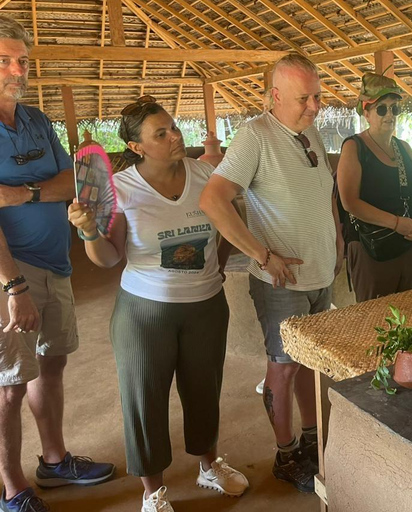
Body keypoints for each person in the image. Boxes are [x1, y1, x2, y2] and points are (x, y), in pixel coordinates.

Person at [68, 98, 248, 512]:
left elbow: (226, 229)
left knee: (205, 389)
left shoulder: (207, 175)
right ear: (137, 147)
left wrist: (214, 273)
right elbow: (109, 258)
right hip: (145, 311)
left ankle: (208, 466)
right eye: (160, 133)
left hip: (206, 305)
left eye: (173, 128)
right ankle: (153, 492)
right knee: (144, 398)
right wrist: (91, 232)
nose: (174, 137)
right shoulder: (123, 189)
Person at [199, 53, 343, 494]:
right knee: (282, 368)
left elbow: (325, 194)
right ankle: (286, 454)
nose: (315, 106)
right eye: (305, 98)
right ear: (275, 97)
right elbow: (213, 200)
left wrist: (336, 238)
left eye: (317, 96)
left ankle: (311, 440)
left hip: (320, 274)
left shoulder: (311, 133)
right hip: (282, 283)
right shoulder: (255, 137)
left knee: (308, 365)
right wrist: (262, 255)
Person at [0, 16, 114, 512]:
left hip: (56, 265)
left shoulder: (36, 121)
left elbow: (75, 181)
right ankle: (12, 489)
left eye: (22, 60)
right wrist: (14, 286)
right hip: (13, 273)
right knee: (8, 383)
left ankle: (54, 460)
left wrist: (20, 194)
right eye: (4, 59)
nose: (16, 69)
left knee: (52, 364)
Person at [336, 73, 412, 301]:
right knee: (375, 322)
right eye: (381, 109)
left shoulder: (404, 148)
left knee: (410, 315)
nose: (389, 115)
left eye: (394, 109)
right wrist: (397, 224)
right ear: (366, 113)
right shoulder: (354, 147)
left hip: (409, 245)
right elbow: (350, 202)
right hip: (372, 249)